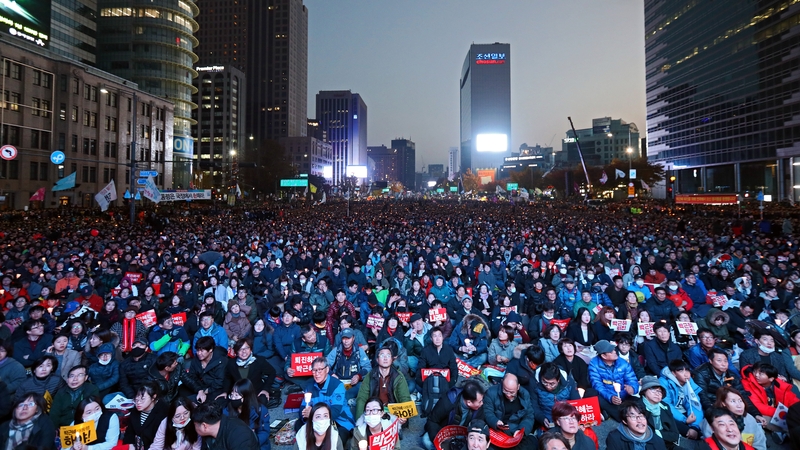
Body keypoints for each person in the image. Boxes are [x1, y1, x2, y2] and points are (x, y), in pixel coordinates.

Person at [299, 357, 355, 442]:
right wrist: (306, 415)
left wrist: (312, 413)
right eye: (314, 370)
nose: (317, 373)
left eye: (320, 370)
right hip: (317, 420)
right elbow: (303, 408)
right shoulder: (309, 386)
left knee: (337, 439)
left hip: (339, 421)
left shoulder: (337, 385)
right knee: (298, 426)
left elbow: (335, 412)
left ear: (327, 369)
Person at [423, 379, 485, 450]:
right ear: (469, 403)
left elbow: (479, 426)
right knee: (426, 440)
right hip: (445, 434)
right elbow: (432, 420)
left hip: (465, 436)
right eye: (480, 402)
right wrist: (439, 440)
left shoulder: (479, 406)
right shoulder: (448, 401)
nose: (482, 403)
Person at [699, 387, 767, 450]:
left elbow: (759, 443)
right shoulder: (713, 420)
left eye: (740, 401)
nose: (739, 405)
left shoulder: (749, 419)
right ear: (723, 403)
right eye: (733, 401)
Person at [355, 343, 411, 419]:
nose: (385, 358)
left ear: (392, 360)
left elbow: (405, 398)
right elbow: (362, 398)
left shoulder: (398, 376)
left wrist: (404, 417)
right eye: (382, 355)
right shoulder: (371, 375)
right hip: (375, 410)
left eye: (388, 355)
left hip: (393, 411)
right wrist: (360, 419)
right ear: (377, 359)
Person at [693, 348, 755, 414]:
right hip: (711, 406)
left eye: (725, 361)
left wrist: (755, 414)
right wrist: (713, 412)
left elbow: (742, 394)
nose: (723, 364)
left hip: (729, 405)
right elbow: (702, 396)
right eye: (719, 361)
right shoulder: (700, 374)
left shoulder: (731, 375)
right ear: (710, 361)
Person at [588, 340, 639, 421]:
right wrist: (610, 397)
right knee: (592, 394)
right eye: (611, 352)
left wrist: (632, 388)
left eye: (614, 350)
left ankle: (612, 413)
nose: (615, 352)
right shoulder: (594, 364)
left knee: (640, 401)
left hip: (624, 395)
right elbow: (597, 385)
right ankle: (622, 416)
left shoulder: (623, 363)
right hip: (607, 396)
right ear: (604, 356)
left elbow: (632, 379)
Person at [483, 373, 536, 448]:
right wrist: (495, 421)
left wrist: (521, 431)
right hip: (497, 429)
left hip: (516, 429)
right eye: (505, 391)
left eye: (512, 392)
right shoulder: (492, 392)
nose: (508, 395)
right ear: (502, 383)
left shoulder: (524, 395)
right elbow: (487, 411)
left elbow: (529, 416)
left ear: (518, 387)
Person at [221, 379, 271, 450]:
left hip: (256, 445)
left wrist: (251, 442)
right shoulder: (227, 410)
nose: (233, 398)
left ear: (246, 396)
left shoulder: (260, 410)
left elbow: (264, 432)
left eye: (236, 395)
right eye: (231, 395)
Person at [223, 338, 277, 404]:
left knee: (261, 402)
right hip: (238, 394)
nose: (244, 351)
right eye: (240, 349)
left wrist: (265, 389)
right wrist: (225, 391)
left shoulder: (259, 360)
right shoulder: (231, 363)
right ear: (236, 352)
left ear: (251, 349)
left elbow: (272, 372)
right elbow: (227, 378)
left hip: (256, 392)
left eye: (246, 348)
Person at [194, 401, 260, 449]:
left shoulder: (238, 435)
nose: (194, 427)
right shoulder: (210, 433)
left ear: (204, 426)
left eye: (195, 425)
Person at [326, 328, 370, 400]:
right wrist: (332, 374)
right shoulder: (336, 351)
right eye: (344, 338)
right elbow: (325, 365)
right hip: (339, 381)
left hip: (354, 382)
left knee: (362, 387)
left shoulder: (359, 351)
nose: (346, 341)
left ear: (353, 338)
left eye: (348, 338)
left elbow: (367, 367)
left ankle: (344, 399)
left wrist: (359, 376)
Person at [638, 376, 681, 449]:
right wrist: (663, 435)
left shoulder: (665, 406)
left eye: (660, 391)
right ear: (644, 391)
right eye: (653, 389)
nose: (657, 393)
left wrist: (658, 434)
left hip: (668, 445)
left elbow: (675, 435)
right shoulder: (637, 407)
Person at [124, 381, 170, 449]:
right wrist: (130, 445)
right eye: (136, 399)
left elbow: (160, 442)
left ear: (153, 397)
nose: (138, 403)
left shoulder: (163, 412)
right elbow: (130, 432)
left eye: (142, 399)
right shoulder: (135, 410)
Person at [184, 336, 227, 402]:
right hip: (200, 387)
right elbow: (192, 376)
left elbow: (219, 381)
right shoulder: (196, 360)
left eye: (202, 351)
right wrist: (199, 390)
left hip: (215, 389)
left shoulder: (220, 360)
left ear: (210, 350)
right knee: (183, 392)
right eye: (197, 350)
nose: (199, 353)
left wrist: (206, 391)